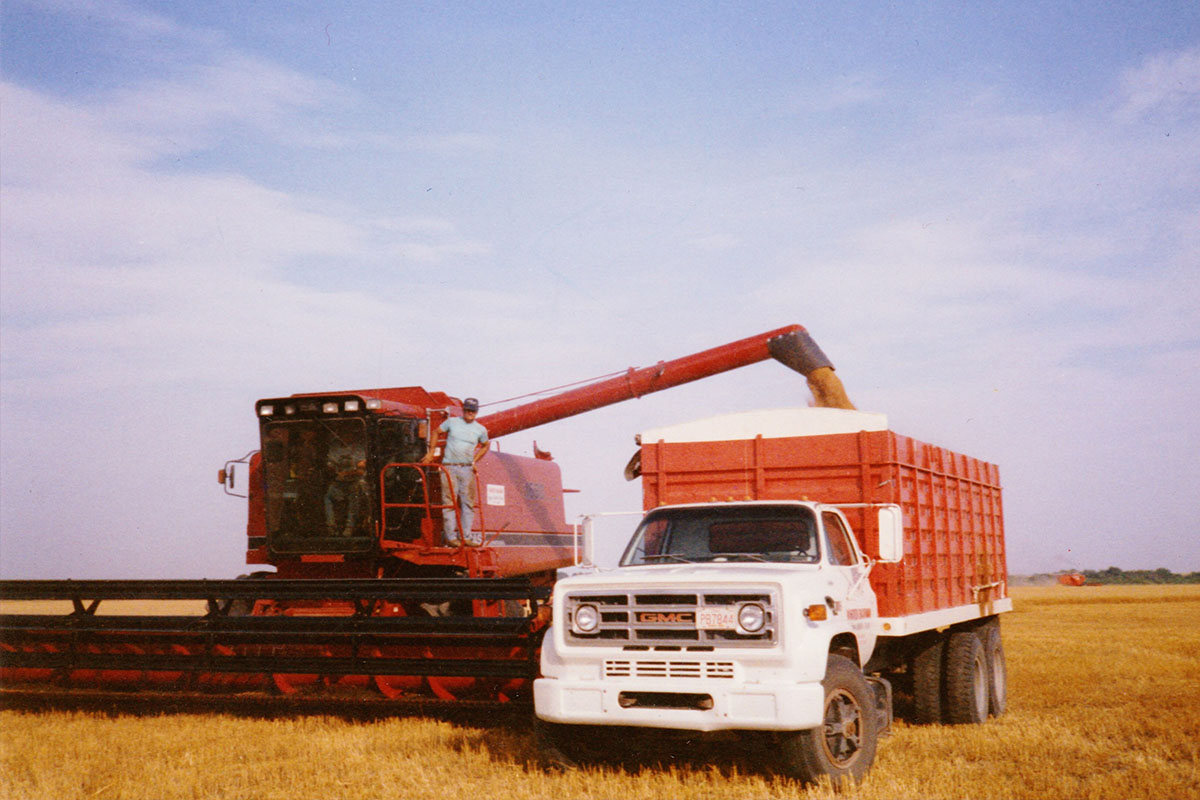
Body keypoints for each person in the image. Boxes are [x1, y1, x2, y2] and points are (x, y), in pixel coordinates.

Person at [421, 397, 489, 546]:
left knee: (468, 503)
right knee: (449, 502)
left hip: (466, 468)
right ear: (463, 410)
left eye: (473, 410)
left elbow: (485, 445)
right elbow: (435, 432)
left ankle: (466, 537)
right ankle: (451, 538)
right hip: (449, 467)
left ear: (476, 412)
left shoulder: (480, 429)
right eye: (467, 409)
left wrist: (474, 461)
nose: (470, 412)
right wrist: (431, 452)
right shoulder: (452, 422)